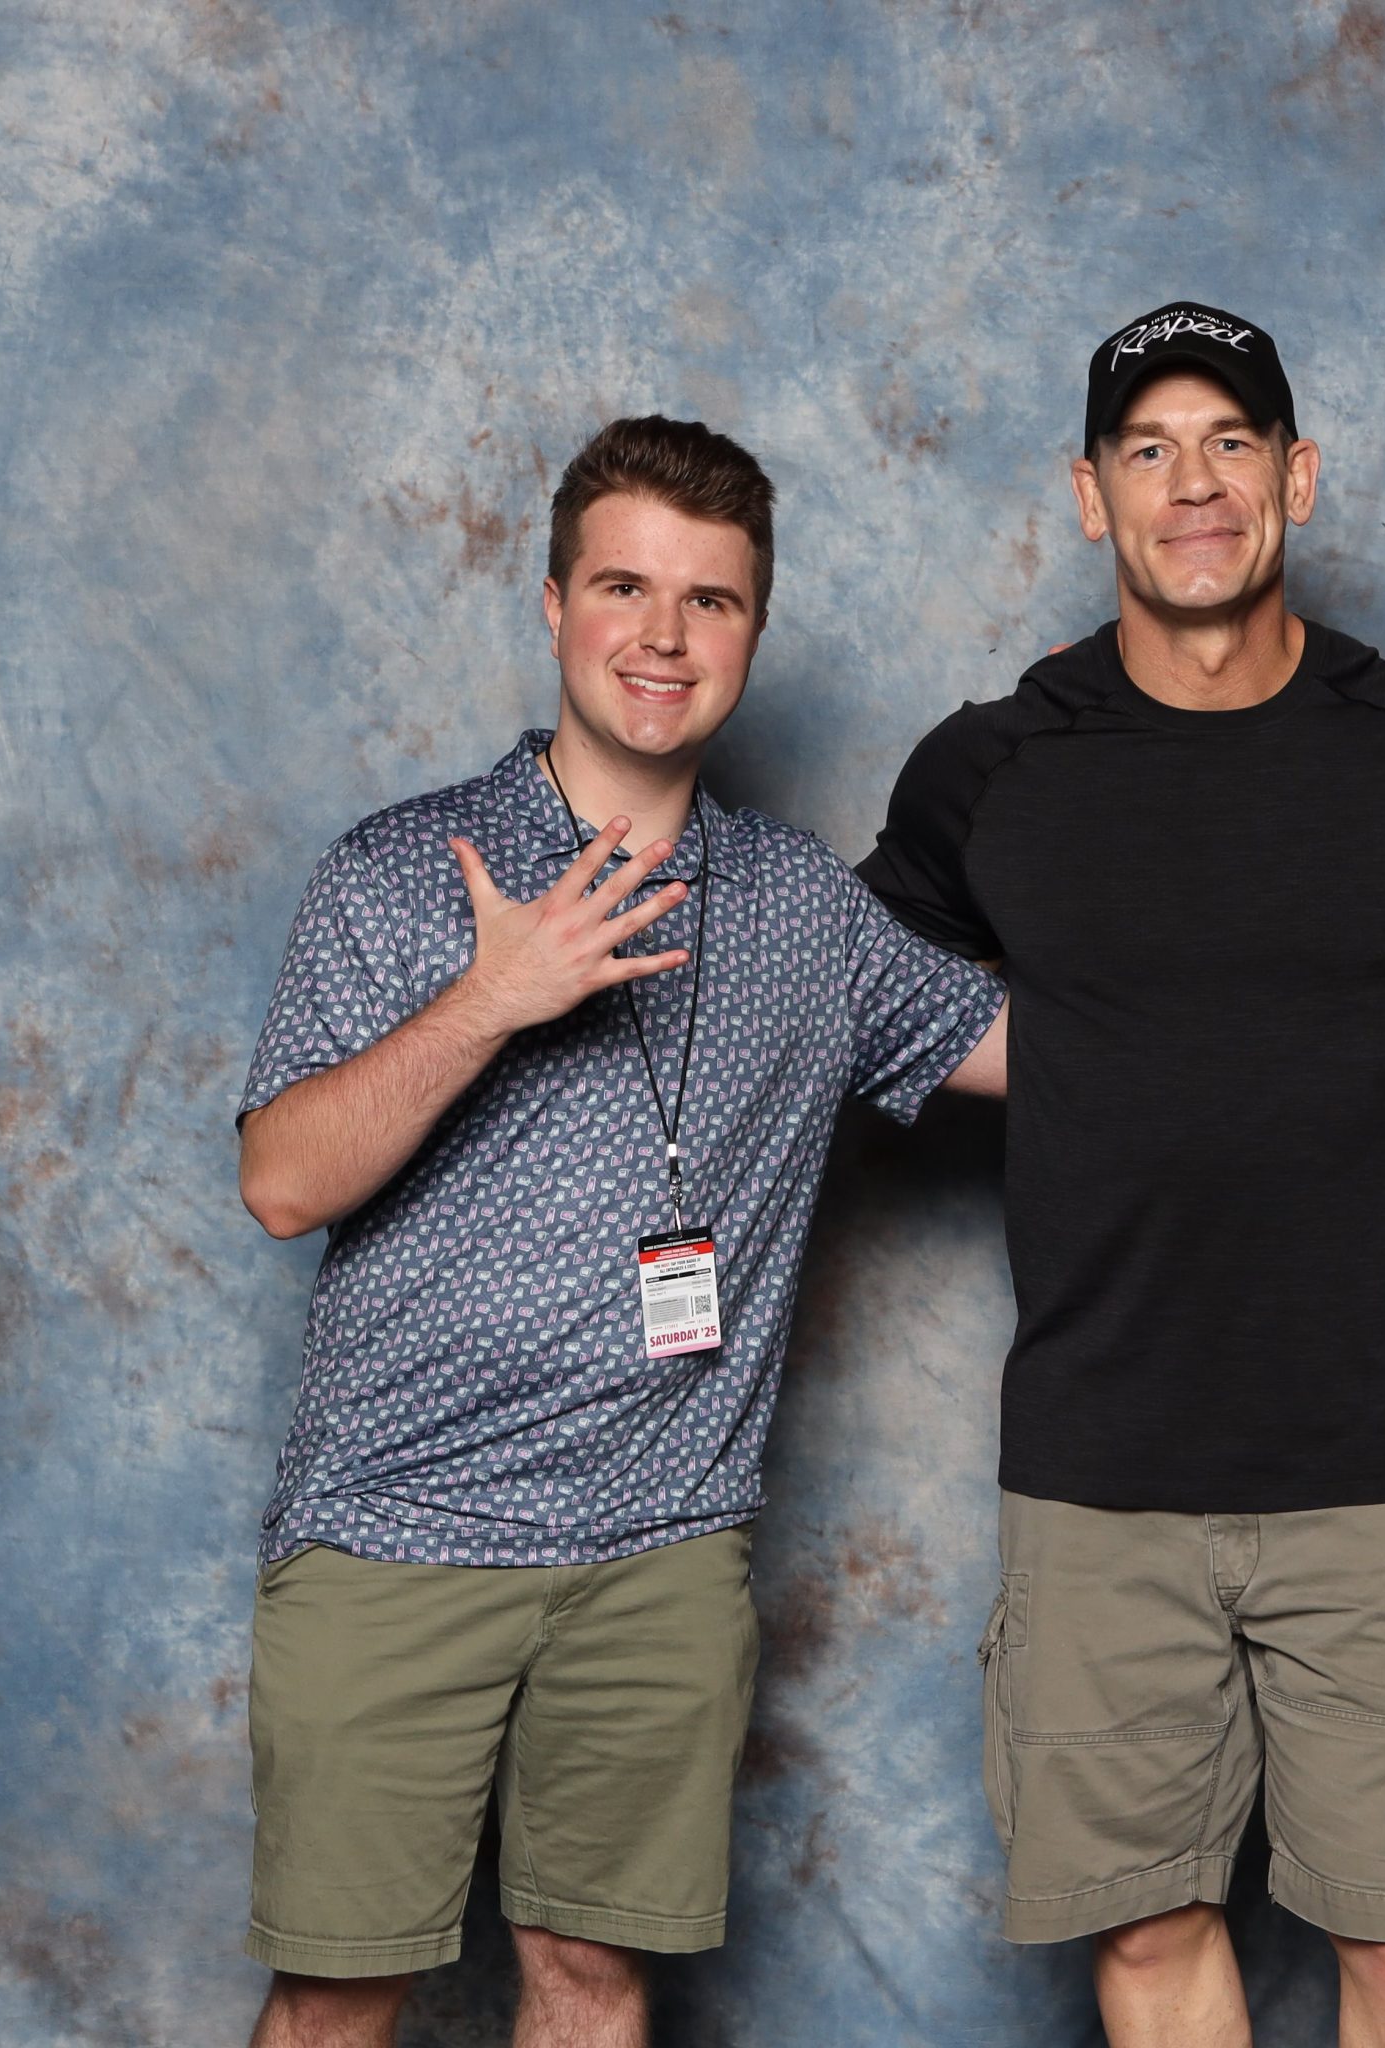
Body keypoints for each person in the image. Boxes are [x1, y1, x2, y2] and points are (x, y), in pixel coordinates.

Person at [233, 415, 1007, 2048]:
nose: (664, 638)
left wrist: (1130, 759)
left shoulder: (806, 908)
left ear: (754, 631)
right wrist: (488, 1000)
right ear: (552, 604)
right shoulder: (400, 873)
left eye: (711, 602)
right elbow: (283, 1181)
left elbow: (1056, 1053)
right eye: (625, 589)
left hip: (664, 1551)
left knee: (590, 1982)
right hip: (397, 1530)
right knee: (337, 1992)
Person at [858, 302, 1385, 2047]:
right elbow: (848, 1002)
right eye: (1147, 451)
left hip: (1382, 1462)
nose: (1194, 485)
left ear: (1296, 475)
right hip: (1102, 1467)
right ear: (1090, 499)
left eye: (1231, 442)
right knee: (1151, 1937)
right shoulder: (990, 771)